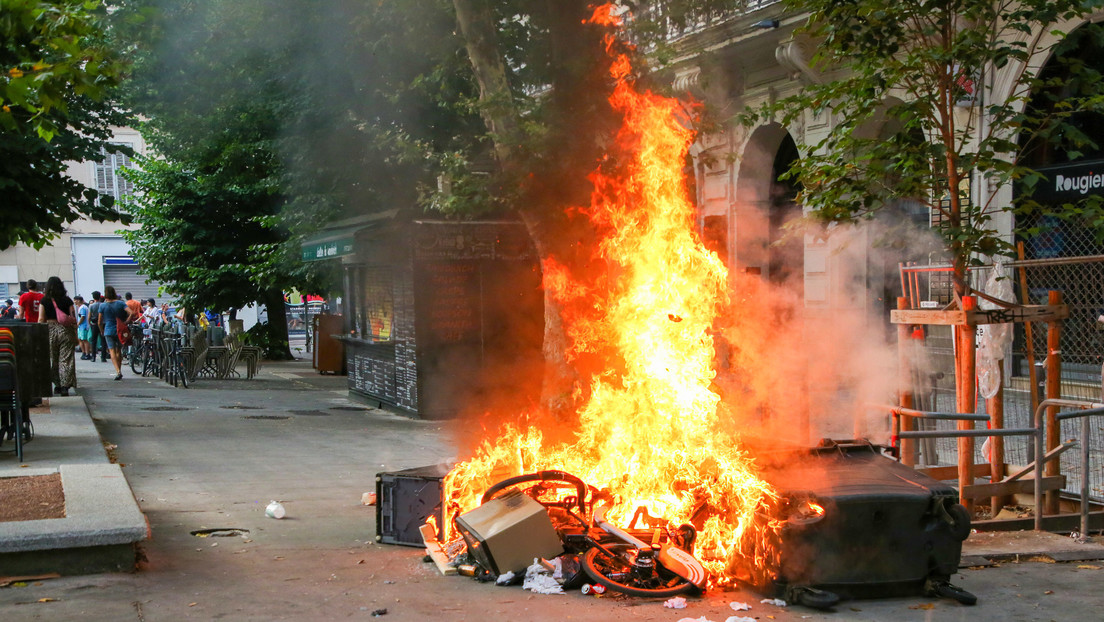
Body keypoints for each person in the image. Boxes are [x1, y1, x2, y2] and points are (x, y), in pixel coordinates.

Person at [38, 276, 78, 396]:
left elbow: (41, 319)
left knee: (53, 359)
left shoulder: (44, 300)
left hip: (50, 331)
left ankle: (57, 385)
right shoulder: (67, 300)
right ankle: (65, 386)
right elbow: (73, 318)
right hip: (66, 331)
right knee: (66, 360)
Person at [98, 286, 135, 380]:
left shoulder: (102, 305)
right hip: (120, 330)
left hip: (108, 329)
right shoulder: (120, 303)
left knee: (112, 351)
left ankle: (118, 371)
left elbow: (99, 321)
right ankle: (119, 369)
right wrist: (126, 322)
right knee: (119, 350)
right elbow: (131, 313)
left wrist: (101, 330)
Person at [88, 291, 107, 363]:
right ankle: (103, 357)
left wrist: (90, 323)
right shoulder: (104, 305)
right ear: (100, 297)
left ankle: (93, 357)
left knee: (94, 341)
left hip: (94, 324)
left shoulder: (91, 306)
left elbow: (89, 316)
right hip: (103, 323)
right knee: (103, 340)